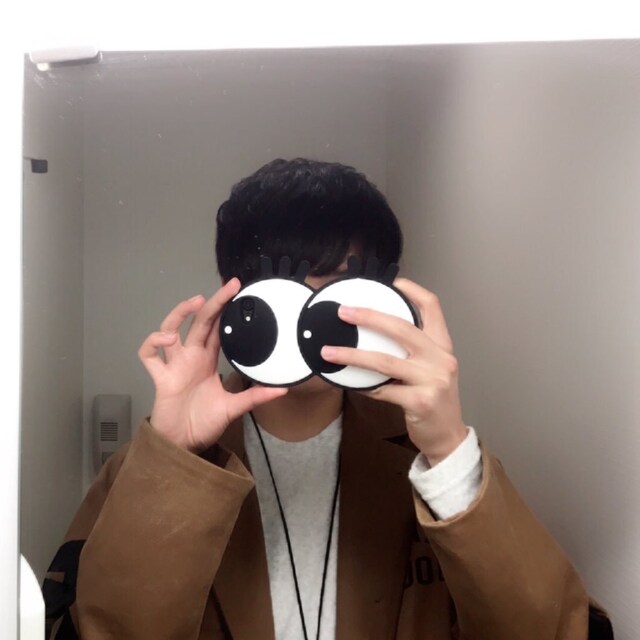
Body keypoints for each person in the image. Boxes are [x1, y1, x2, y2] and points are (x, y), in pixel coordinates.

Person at [43, 158, 613, 639]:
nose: (313, 320)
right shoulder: (154, 467)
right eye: (288, 287)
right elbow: (94, 629)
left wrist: (450, 452)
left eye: (341, 287)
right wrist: (175, 459)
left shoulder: (432, 462)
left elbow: (554, 628)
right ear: (235, 297)